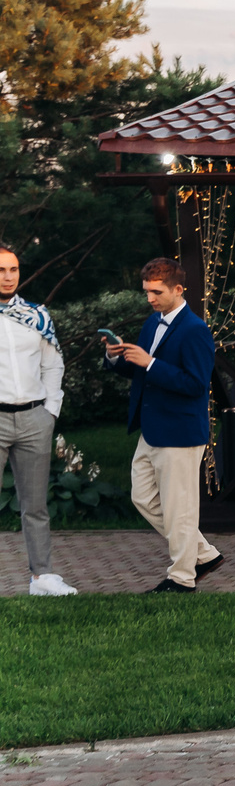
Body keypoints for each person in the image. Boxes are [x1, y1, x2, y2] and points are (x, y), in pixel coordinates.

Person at [108, 257, 222, 592]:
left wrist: (152, 363)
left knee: (180, 510)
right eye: (146, 292)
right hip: (152, 428)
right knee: (142, 497)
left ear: (178, 289)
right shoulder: (151, 322)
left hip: (181, 432)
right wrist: (117, 356)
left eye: (156, 292)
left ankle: (182, 578)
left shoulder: (196, 330)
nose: (150, 298)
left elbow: (197, 384)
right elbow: (141, 369)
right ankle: (204, 553)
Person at [0, 243, 74, 596]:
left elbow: (53, 364)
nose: (8, 276)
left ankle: (42, 577)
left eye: (13, 269)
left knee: (35, 505)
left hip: (33, 419)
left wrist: (50, 411)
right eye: (1, 270)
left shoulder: (36, 315)